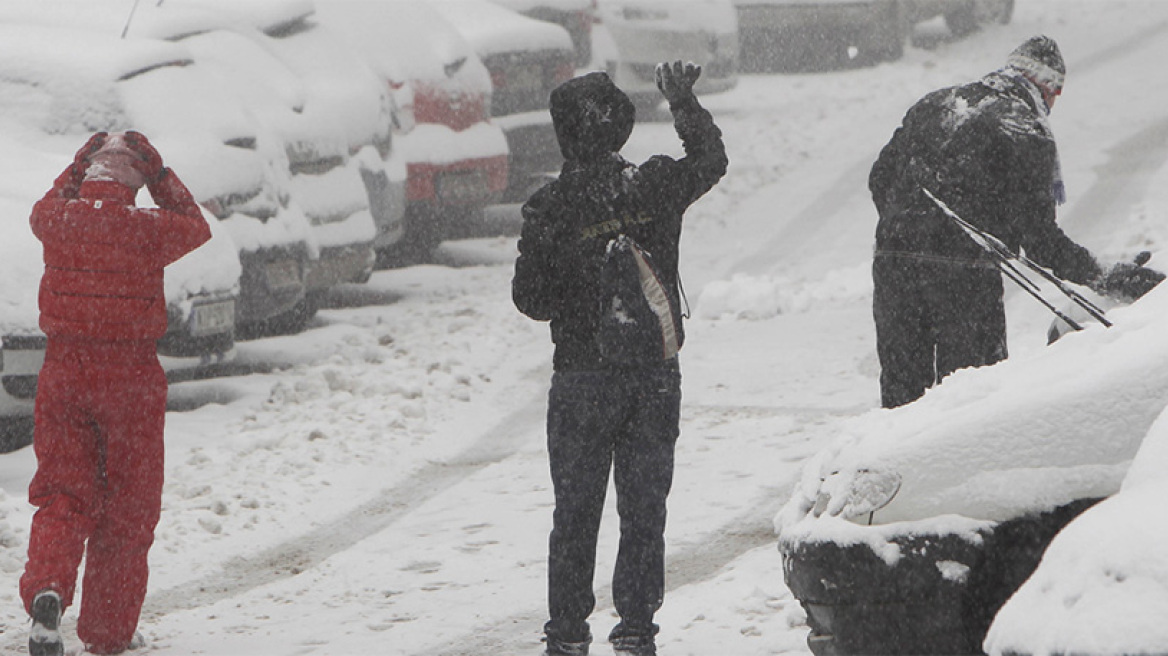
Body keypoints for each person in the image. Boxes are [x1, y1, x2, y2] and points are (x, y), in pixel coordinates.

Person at [512, 61, 727, 656]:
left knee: (575, 515)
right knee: (643, 511)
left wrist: (568, 270)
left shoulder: (550, 207)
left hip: (582, 381)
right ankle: (635, 629)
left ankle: (567, 633)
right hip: (654, 376)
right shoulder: (655, 184)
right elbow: (711, 161)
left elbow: (530, 300)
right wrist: (682, 103)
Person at [868, 35, 1162, 409]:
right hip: (964, 280)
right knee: (968, 405)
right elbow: (1041, 241)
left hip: (895, 267)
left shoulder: (937, 104)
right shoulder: (1023, 128)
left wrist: (912, 230)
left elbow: (880, 178)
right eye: (1056, 95)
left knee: (902, 399)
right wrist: (1108, 276)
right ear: (1048, 87)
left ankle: (892, 465)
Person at [21, 131, 211, 656]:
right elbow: (197, 226)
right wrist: (161, 175)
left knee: (62, 494)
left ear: (90, 177)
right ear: (134, 183)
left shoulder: (56, 221)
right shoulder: (146, 228)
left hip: (63, 373)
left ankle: (49, 590)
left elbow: (48, 202)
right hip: (129, 380)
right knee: (128, 508)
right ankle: (108, 632)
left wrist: (77, 165)